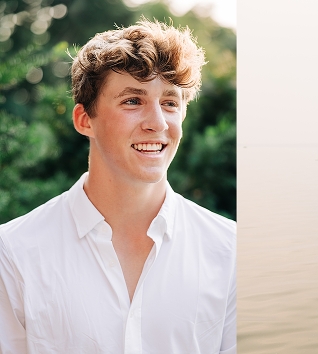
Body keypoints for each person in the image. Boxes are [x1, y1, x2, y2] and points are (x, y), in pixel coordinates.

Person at [0, 20, 236, 353]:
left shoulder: (231, 252)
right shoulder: (13, 253)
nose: (157, 123)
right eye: (132, 101)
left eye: (170, 103)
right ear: (85, 120)